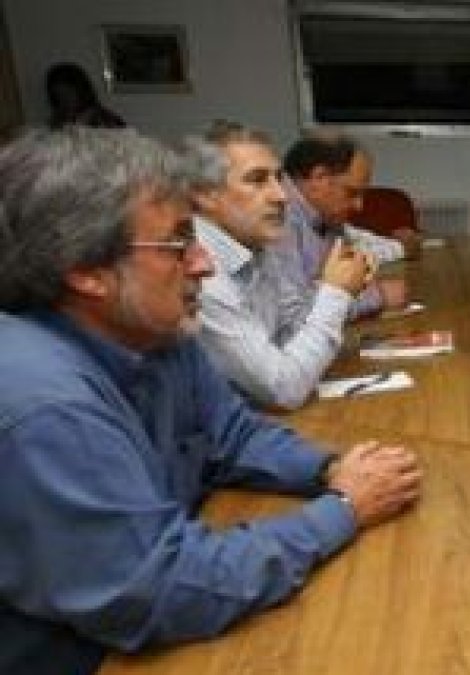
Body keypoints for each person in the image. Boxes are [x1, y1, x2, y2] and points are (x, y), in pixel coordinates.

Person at [0, 127, 423, 675]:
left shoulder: (154, 331)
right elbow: (162, 589)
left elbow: (233, 436)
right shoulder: (45, 406)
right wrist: (341, 511)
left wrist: (332, 467)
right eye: (178, 242)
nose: (203, 263)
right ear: (85, 272)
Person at [184, 120, 371, 409]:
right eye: (257, 180)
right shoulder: (197, 268)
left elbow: (293, 337)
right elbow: (284, 390)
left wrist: (331, 288)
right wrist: (336, 293)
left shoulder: (257, 245)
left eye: (278, 178)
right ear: (205, 194)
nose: (281, 195)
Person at [270, 130, 410, 322]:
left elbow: (335, 284)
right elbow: (294, 318)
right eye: (351, 193)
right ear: (319, 178)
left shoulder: (324, 217)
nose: (359, 206)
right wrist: (377, 297)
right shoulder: (276, 215)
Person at [45, 62, 125, 129]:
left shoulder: (105, 119)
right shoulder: (57, 121)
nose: (64, 100)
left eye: (67, 94)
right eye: (58, 96)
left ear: (80, 92)